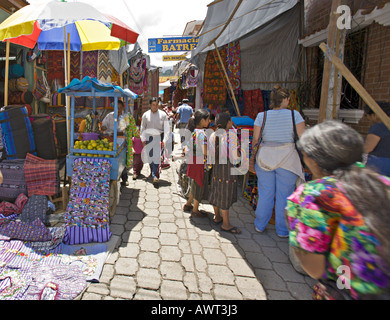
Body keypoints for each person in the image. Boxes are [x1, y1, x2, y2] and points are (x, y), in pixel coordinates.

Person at [286, 120, 390, 300]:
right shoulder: (383, 185)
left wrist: (296, 227)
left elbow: (314, 268)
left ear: (314, 159)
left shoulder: (315, 195)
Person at [249, 85, 305, 238]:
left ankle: (260, 225)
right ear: (286, 99)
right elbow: (303, 138)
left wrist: (251, 158)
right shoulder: (295, 115)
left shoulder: (262, 116)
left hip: (265, 157)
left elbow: (255, 140)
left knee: (265, 193)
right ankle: (282, 230)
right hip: (287, 158)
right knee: (284, 196)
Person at [208, 113, 242, 234]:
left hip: (216, 167)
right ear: (228, 122)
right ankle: (226, 224)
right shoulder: (230, 136)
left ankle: (217, 216)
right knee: (225, 193)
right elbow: (236, 156)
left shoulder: (213, 135)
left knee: (216, 190)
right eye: (231, 121)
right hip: (227, 168)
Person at [183, 109, 211, 218]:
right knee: (199, 184)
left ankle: (188, 203)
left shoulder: (195, 131)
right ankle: (195, 210)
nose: (209, 122)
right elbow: (205, 151)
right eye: (208, 119)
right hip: (199, 161)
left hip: (193, 159)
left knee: (195, 183)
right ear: (203, 120)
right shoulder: (202, 134)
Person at [140, 97, 171, 186]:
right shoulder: (145, 115)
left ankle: (155, 175)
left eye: (156, 104)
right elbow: (143, 127)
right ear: (150, 105)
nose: (155, 106)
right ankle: (153, 171)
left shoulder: (163, 115)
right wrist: (142, 139)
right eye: (153, 105)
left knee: (156, 157)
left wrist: (164, 140)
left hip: (158, 137)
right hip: (149, 137)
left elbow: (166, 128)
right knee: (150, 157)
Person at [101, 100, 128, 187]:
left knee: (122, 158)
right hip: (109, 138)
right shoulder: (109, 116)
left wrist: (117, 133)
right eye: (117, 107)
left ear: (122, 108)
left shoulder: (125, 117)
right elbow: (103, 125)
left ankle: (125, 178)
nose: (118, 110)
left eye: (120, 108)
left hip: (120, 140)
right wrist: (103, 127)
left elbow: (125, 131)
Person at [363, 101, 390, 176]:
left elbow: (368, 147)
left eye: (367, 115)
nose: (367, 118)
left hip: (380, 164)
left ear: (375, 115)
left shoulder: (378, 127)